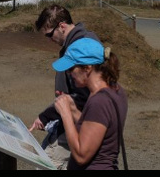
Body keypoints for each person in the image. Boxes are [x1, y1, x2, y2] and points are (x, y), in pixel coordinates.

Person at [29, 5, 101, 168]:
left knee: (46, 163)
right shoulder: (87, 38)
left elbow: (81, 96)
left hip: (77, 124)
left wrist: (46, 116)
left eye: (49, 35)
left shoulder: (78, 47)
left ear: (61, 26)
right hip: (71, 121)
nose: (49, 40)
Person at [52, 38, 128, 170]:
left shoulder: (99, 102)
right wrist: (74, 111)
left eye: (71, 69)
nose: (69, 74)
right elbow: (96, 127)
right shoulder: (116, 90)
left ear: (87, 68)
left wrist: (65, 114)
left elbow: (82, 155)